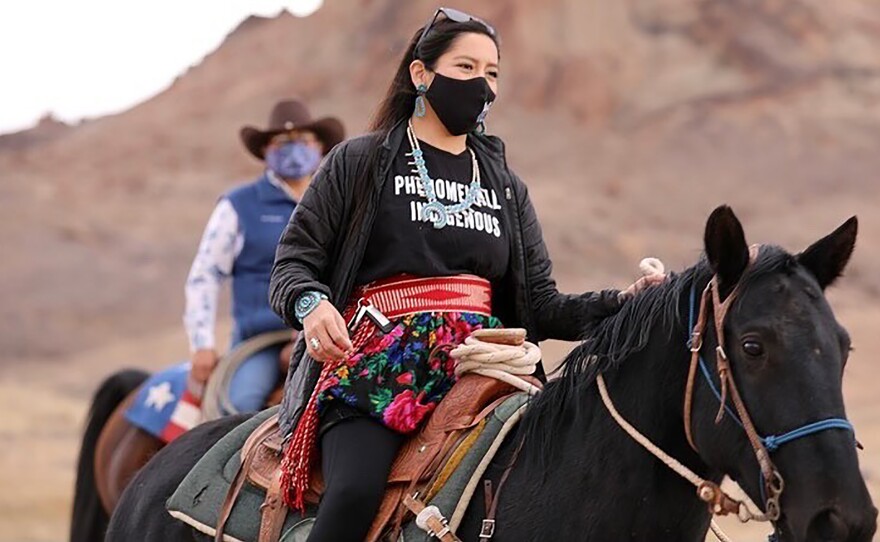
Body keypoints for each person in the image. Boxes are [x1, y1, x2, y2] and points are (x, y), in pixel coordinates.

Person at [268, 9, 661, 541]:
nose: (483, 85)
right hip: (379, 369)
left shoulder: (504, 184)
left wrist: (625, 302)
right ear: (421, 74)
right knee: (355, 493)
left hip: (487, 366)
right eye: (467, 67)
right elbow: (294, 261)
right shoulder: (359, 162)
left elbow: (542, 306)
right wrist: (312, 306)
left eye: (493, 72)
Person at [184, 99, 345, 413]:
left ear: (319, 146)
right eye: (283, 143)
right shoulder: (238, 205)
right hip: (262, 340)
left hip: (329, 335)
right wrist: (201, 344)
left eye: (303, 140)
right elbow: (205, 275)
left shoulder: (337, 203)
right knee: (240, 408)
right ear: (266, 150)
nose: (294, 149)